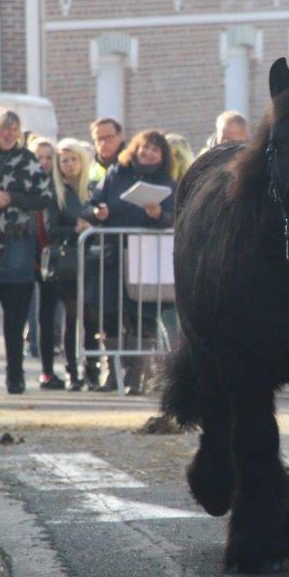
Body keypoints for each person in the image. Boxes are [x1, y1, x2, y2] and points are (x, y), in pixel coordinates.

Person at [87, 129, 176, 395]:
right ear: (135, 148)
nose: (148, 153)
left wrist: (158, 214)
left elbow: (173, 218)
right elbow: (92, 203)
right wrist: (98, 212)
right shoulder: (116, 174)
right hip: (113, 255)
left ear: (162, 156)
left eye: (154, 149)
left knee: (142, 317)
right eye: (144, 147)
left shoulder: (168, 184)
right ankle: (112, 373)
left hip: (146, 257)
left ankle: (136, 376)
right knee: (110, 314)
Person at [0, 109, 53, 393]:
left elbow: (44, 197)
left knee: (15, 318)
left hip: (17, 245)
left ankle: (15, 375)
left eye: (14, 129)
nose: (9, 134)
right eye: (4, 128)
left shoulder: (27, 161)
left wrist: (10, 198)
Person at [48, 139, 92, 390]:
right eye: (64, 159)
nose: (69, 164)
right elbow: (52, 228)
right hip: (68, 263)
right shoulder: (57, 193)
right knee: (72, 318)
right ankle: (72, 371)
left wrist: (94, 227)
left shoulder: (91, 190)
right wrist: (75, 230)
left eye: (73, 158)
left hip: (91, 260)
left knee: (91, 318)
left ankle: (92, 371)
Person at [28, 135, 66, 388]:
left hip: (50, 260)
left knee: (48, 314)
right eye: (38, 157)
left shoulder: (58, 187)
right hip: (27, 257)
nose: (43, 162)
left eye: (49, 157)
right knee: (28, 315)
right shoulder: (25, 185)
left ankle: (48, 371)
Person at [89, 117, 125, 185]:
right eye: (99, 139)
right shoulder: (90, 171)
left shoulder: (134, 165)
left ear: (121, 136)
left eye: (108, 137)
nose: (103, 143)